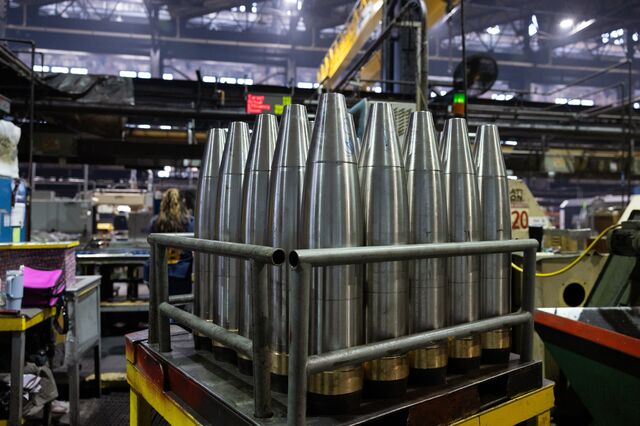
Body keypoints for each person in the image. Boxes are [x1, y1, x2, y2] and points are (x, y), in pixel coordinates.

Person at [147, 188, 194, 295]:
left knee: (160, 303)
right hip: (182, 271)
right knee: (179, 307)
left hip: (159, 270)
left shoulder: (155, 222)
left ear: (163, 202)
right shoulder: (190, 222)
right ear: (182, 202)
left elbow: (151, 245)